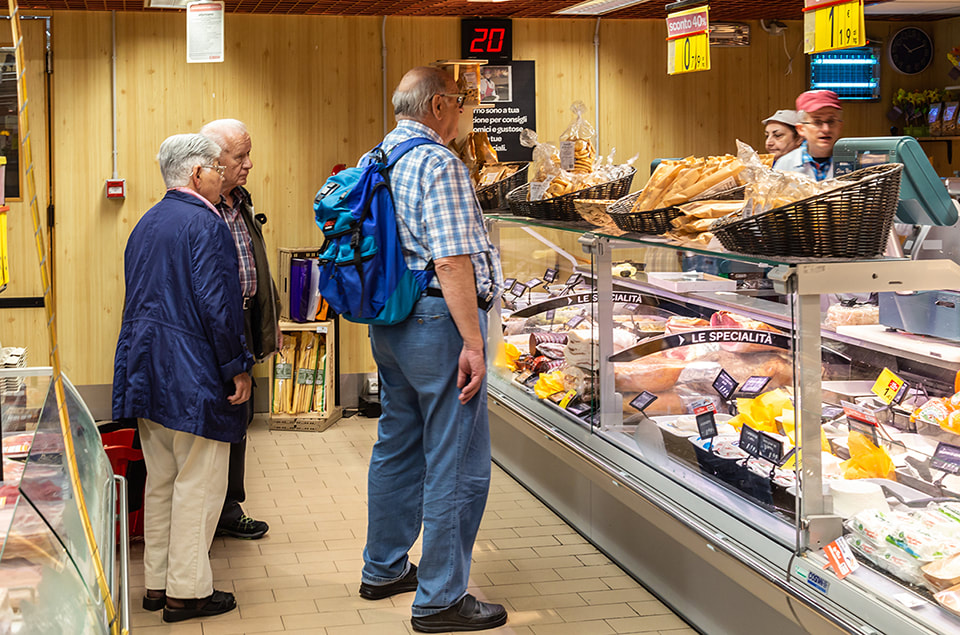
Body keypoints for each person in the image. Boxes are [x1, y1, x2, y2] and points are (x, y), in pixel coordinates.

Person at [357, 66, 507, 633]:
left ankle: (384, 567)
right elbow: (451, 260)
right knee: (458, 461)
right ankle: (441, 598)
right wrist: (474, 340)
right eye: (462, 103)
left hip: (391, 322)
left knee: (396, 446)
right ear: (440, 104)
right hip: (438, 324)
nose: (465, 113)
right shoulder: (439, 162)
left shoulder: (379, 156)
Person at [112, 133, 253, 622]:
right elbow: (219, 306)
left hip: (145, 372)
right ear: (197, 174)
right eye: (216, 168)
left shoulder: (146, 223)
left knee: (161, 481)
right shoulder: (205, 224)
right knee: (199, 482)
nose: (222, 176)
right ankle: (188, 593)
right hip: (192, 374)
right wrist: (236, 366)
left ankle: (156, 584)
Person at [200, 119, 280, 541]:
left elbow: (256, 264)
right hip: (214, 326)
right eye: (240, 156)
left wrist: (269, 320)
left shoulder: (240, 201)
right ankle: (209, 511)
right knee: (218, 413)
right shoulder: (199, 206)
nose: (249, 164)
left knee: (240, 414)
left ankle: (229, 507)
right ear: (213, 160)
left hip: (244, 320)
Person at [774, 90, 844, 181]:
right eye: (817, 122)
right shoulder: (784, 165)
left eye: (831, 121)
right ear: (801, 129)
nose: (826, 129)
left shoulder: (855, 163)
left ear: (840, 126)